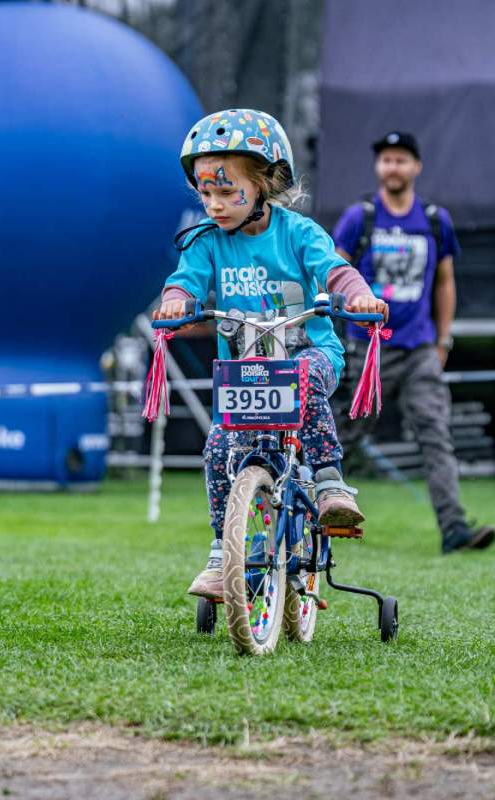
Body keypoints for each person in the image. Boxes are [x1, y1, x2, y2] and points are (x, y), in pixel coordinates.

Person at [153, 108, 388, 599]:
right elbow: (185, 281)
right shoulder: (206, 243)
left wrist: (359, 294)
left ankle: (328, 485)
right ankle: (224, 551)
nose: (214, 204)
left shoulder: (297, 234)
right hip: (246, 371)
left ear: (264, 182)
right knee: (220, 447)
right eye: (205, 192)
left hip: (309, 352)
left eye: (226, 190)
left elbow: (333, 270)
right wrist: (176, 300)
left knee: (302, 377)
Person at [331, 131, 494, 555]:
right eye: (386, 160)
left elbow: (445, 282)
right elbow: (334, 275)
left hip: (420, 347)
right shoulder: (359, 217)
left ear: (416, 167)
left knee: (436, 433)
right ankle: (310, 515)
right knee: (344, 433)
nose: (393, 167)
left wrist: (443, 339)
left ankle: (454, 528)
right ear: (378, 168)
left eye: (401, 160)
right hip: (367, 349)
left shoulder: (435, 220)